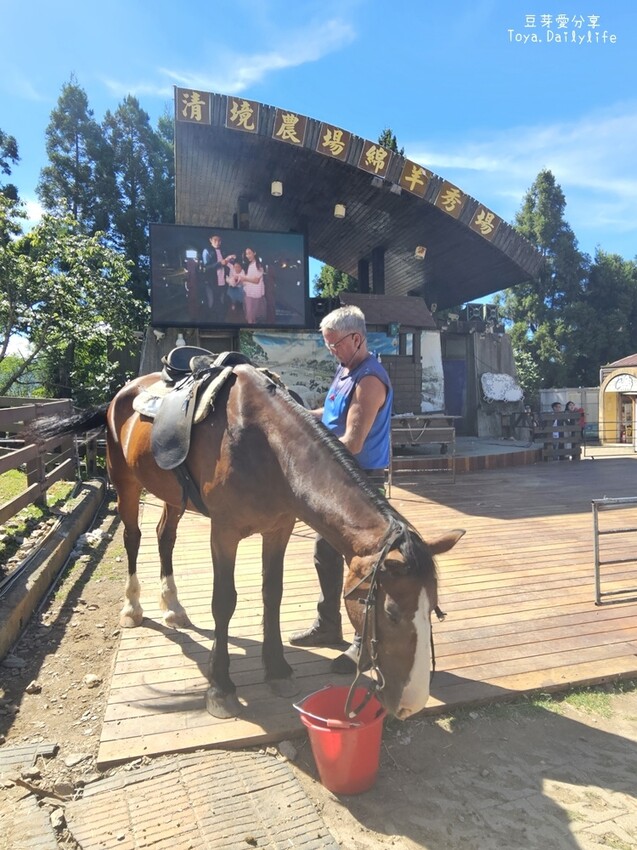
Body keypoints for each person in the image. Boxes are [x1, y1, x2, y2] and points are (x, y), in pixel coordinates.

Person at [289, 305, 394, 674]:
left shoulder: (370, 380)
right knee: (325, 553)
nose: (330, 349)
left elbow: (351, 441)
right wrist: (298, 414)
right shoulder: (346, 370)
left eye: (334, 343)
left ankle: (364, 643)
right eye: (327, 344)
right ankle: (328, 625)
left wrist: (304, 447)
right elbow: (332, 416)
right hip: (338, 482)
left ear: (357, 339)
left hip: (361, 483)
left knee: (363, 565)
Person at [201, 234, 235, 317]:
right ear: (210, 240)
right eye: (215, 240)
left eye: (219, 240)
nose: (217, 242)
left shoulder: (223, 251)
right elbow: (206, 268)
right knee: (211, 303)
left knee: (222, 302)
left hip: (223, 282)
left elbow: (227, 264)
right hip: (211, 283)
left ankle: (221, 321)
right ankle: (211, 322)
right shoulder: (207, 251)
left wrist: (230, 260)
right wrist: (220, 263)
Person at [238, 247, 266, 324]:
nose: (247, 255)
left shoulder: (258, 265)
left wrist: (244, 279)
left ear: (254, 253)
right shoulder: (249, 265)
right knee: (250, 317)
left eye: (249, 253)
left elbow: (256, 280)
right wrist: (240, 281)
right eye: (246, 254)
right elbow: (248, 279)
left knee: (253, 316)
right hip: (248, 293)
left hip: (256, 294)